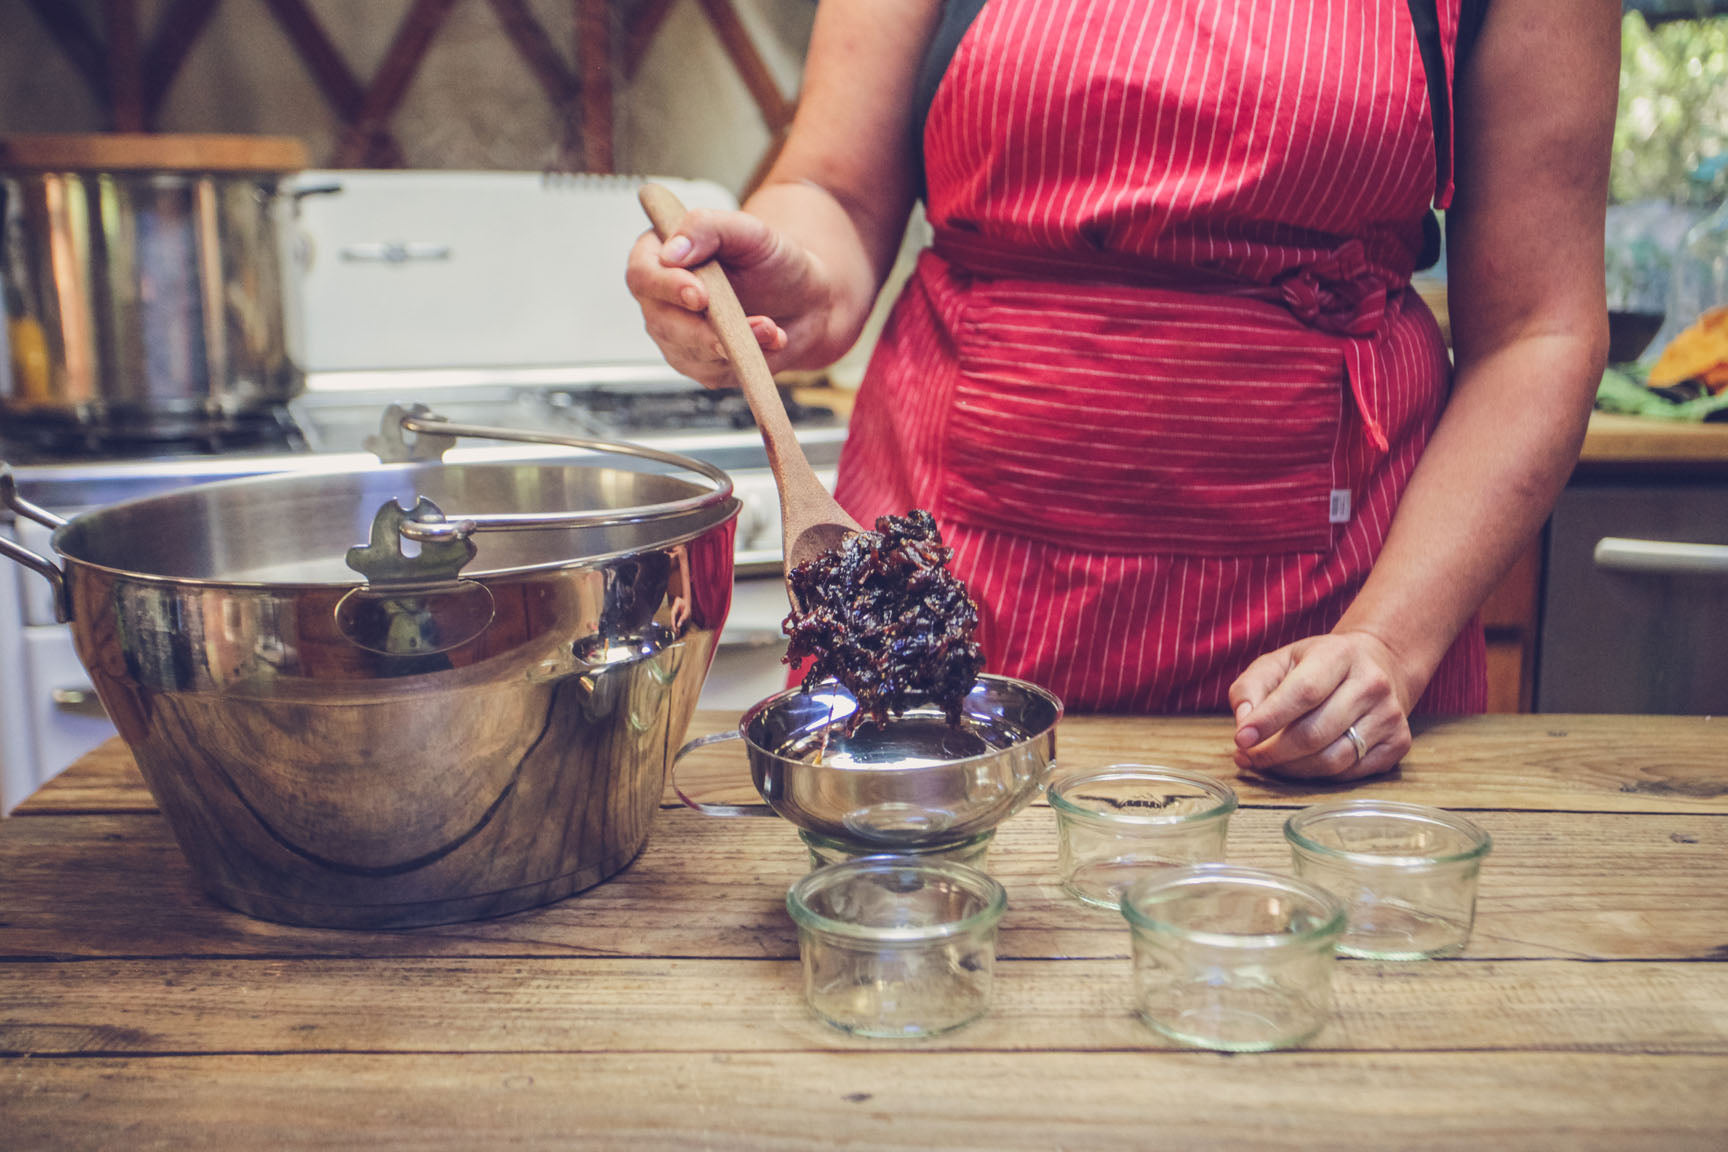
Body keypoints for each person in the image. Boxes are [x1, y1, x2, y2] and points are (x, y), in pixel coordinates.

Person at [626, 0, 1618, 781]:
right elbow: (836, 197)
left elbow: (1540, 331)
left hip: (1329, 648)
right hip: (940, 623)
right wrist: (778, 286)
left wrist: (1386, 646)